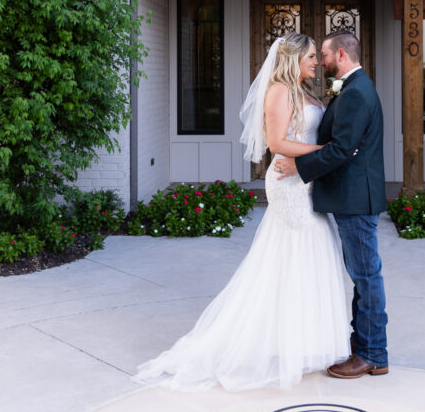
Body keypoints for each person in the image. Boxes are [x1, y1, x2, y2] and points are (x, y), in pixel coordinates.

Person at [133, 34, 350, 392]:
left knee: (313, 253)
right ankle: (279, 344)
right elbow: (278, 143)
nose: (316, 62)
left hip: (306, 179)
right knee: (294, 256)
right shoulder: (279, 91)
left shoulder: (307, 91)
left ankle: (306, 342)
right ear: (293, 57)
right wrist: (326, 150)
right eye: (311, 56)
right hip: (288, 183)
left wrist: (319, 158)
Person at [274, 31, 388, 379]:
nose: (320, 62)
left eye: (323, 55)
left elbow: (343, 149)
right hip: (352, 196)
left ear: (340, 54)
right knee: (362, 274)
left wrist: (298, 166)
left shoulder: (355, 92)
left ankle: (372, 353)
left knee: (366, 277)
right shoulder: (355, 87)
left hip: (355, 199)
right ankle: (363, 344)